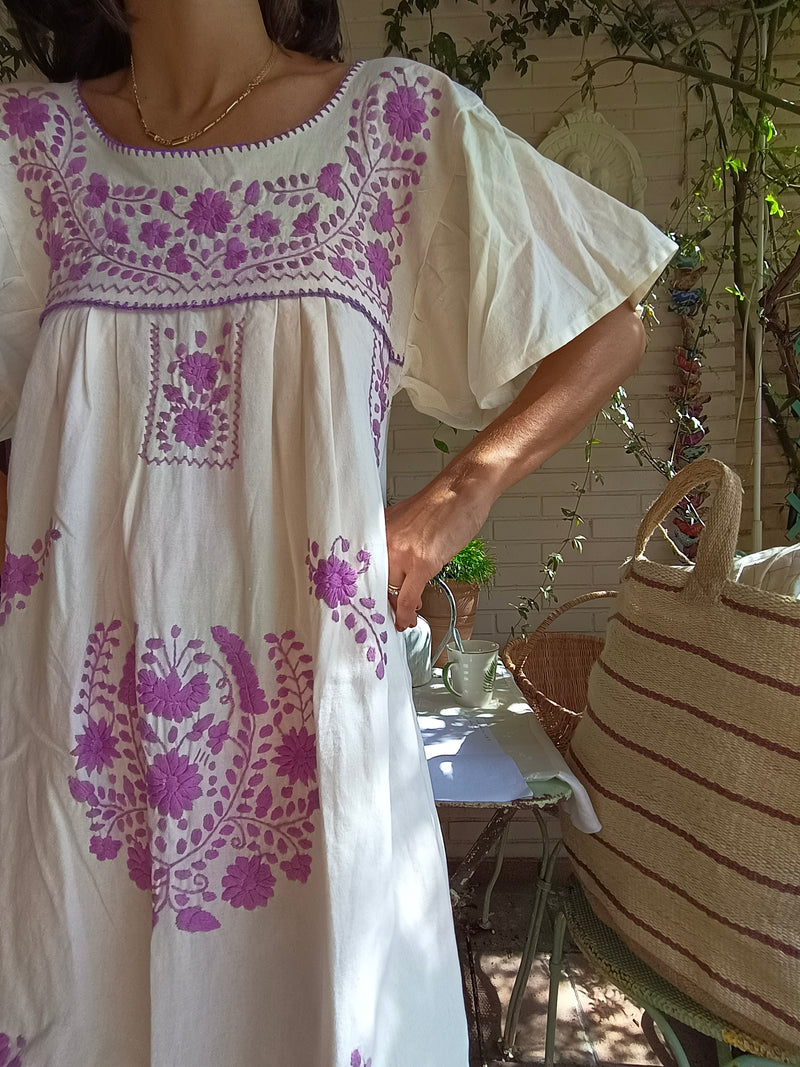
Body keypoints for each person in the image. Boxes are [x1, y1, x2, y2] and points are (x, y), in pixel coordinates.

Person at [0, 1, 676, 1063]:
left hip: (315, 739)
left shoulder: (392, 127)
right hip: (76, 753)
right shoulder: (25, 154)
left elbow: (607, 323)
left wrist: (462, 490)